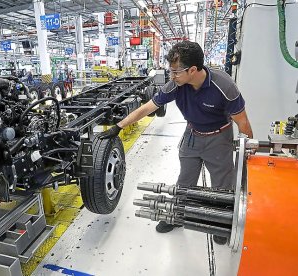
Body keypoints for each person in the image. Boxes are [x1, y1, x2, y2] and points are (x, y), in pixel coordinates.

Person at [99, 41, 253, 245]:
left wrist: (250, 155)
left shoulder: (224, 86)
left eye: (175, 72)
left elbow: (242, 122)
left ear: (192, 70)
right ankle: (177, 216)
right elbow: (148, 107)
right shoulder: (176, 85)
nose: (171, 76)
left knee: (222, 185)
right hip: (192, 135)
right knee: (185, 179)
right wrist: (118, 126)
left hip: (219, 138)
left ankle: (219, 222)